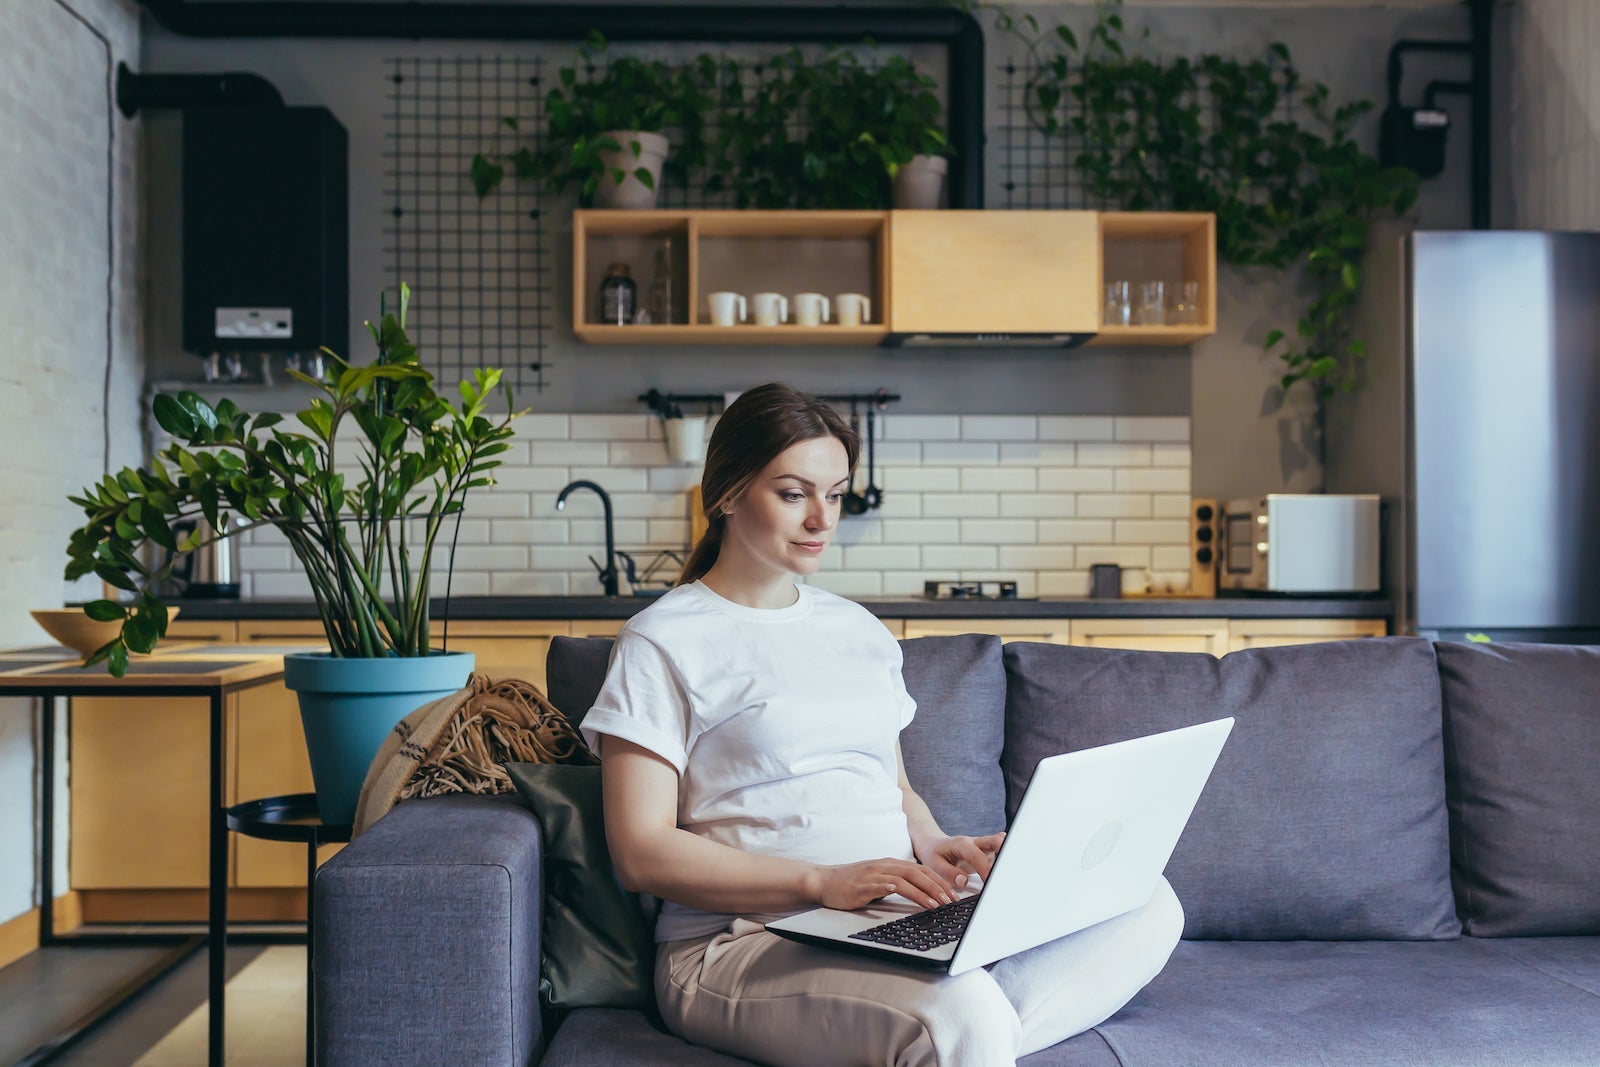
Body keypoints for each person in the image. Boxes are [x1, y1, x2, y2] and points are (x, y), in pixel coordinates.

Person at [579, 383, 1184, 1067]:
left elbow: (894, 789)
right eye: (793, 494)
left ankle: (966, 1038)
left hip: (890, 916)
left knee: (1145, 902)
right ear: (726, 494)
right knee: (965, 1015)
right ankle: (965, 1031)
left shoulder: (858, 629)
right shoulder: (663, 639)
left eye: (835, 495)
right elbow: (641, 851)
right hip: (744, 941)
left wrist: (934, 844)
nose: (821, 519)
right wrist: (818, 882)